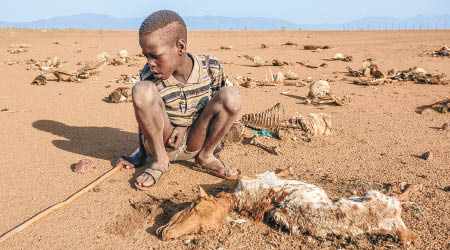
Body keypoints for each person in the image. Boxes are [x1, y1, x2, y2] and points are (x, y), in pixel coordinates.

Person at [116, 10, 242, 190]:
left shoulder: (210, 68)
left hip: (195, 141)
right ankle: (161, 162)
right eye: (146, 56)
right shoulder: (150, 75)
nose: (150, 63)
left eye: (155, 55)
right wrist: (141, 156)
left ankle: (206, 157)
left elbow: (216, 109)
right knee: (141, 90)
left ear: (180, 47)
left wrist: (184, 126)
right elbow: (145, 117)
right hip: (165, 144)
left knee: (231, 96)